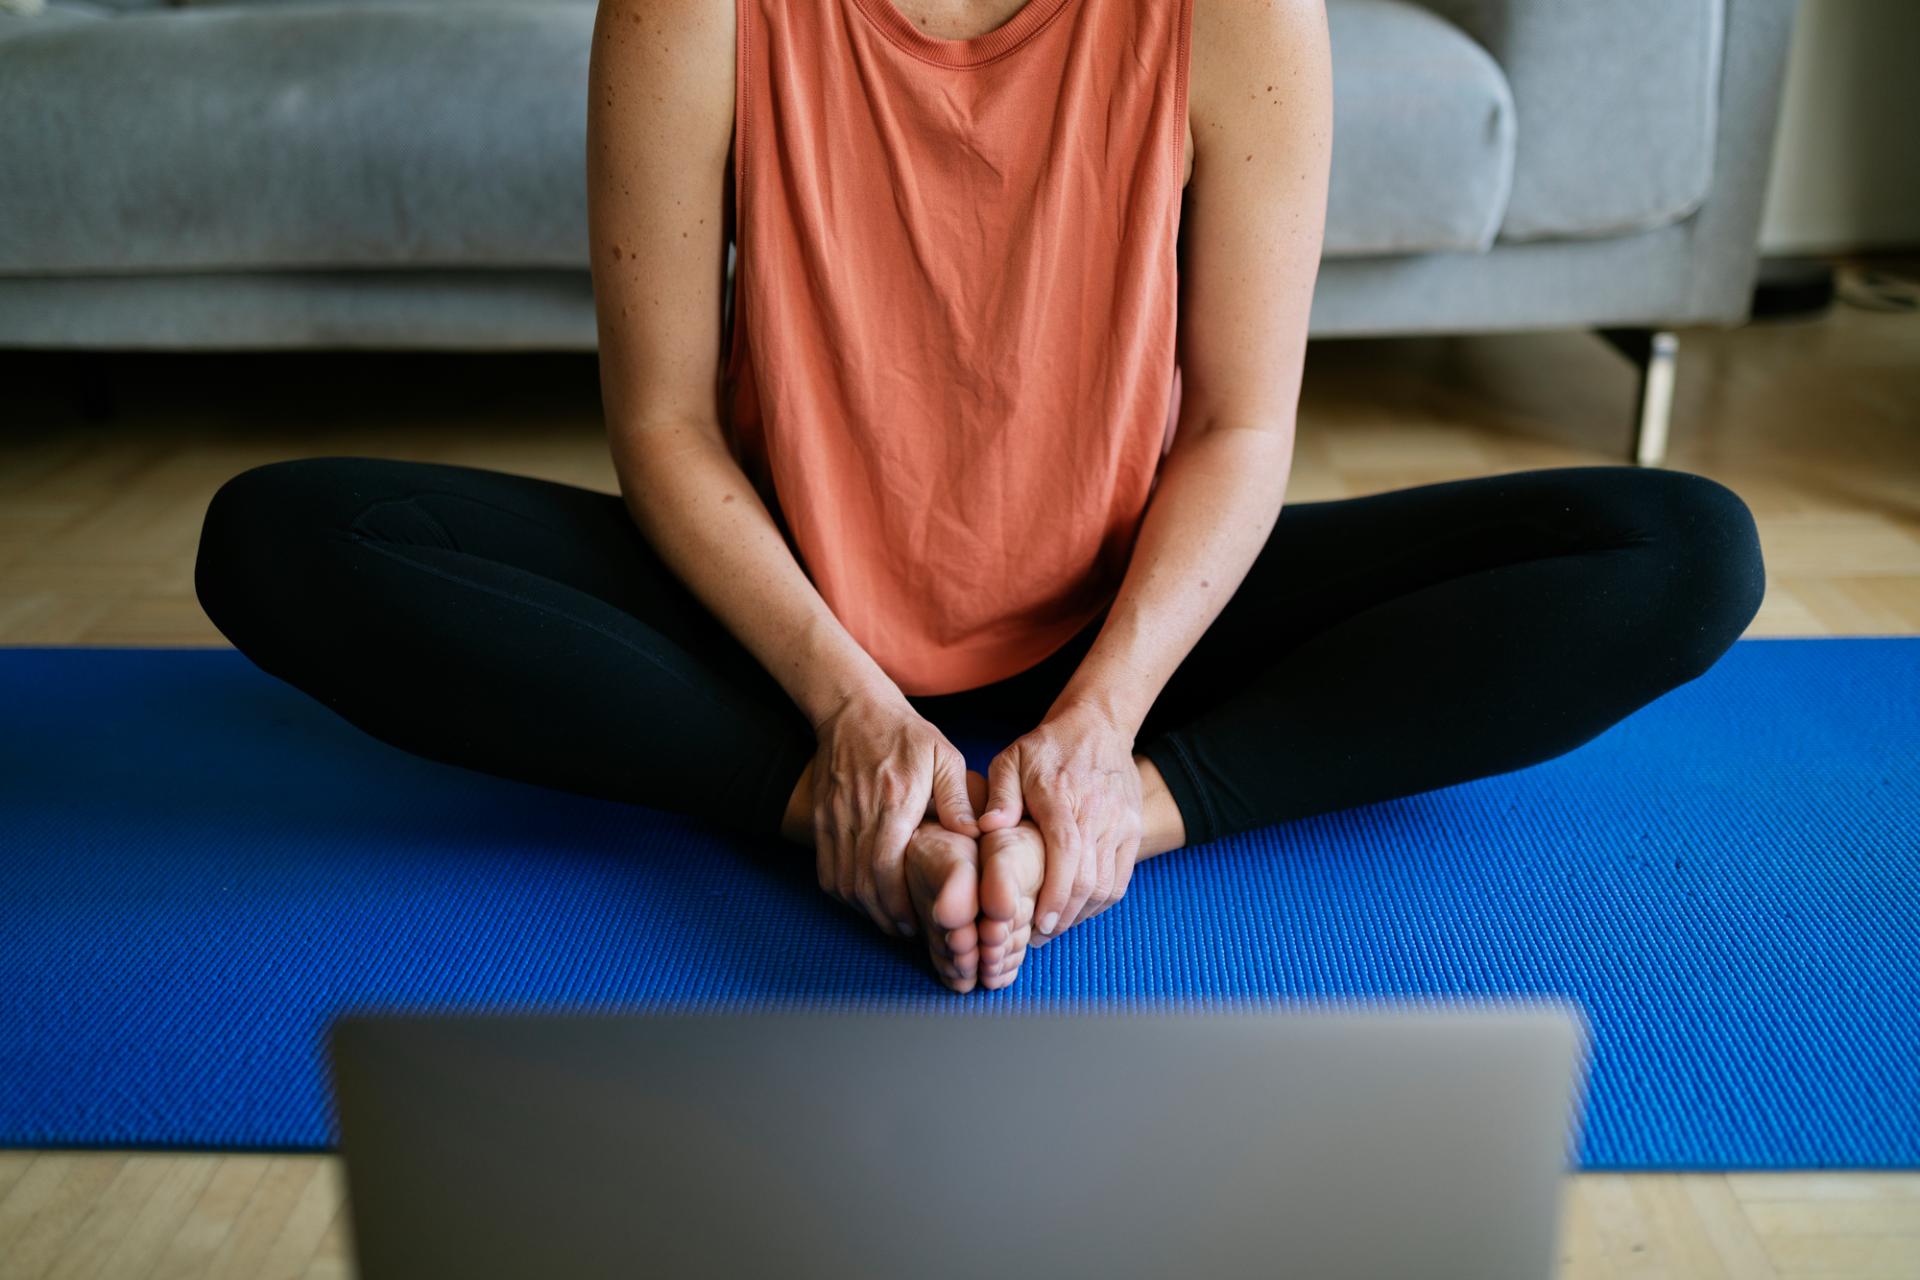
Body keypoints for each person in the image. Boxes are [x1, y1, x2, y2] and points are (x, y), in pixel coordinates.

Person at [194, 0, 1766, 995]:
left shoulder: (1239, 15)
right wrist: (851, 723)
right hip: (784, 634)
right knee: (283, 539)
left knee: (1679, 553)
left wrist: (1100, 744)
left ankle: (1113, 830)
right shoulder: (688, 11)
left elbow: (1236, 428)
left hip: (1127, 629)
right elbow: (666, 427)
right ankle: (844, 816)